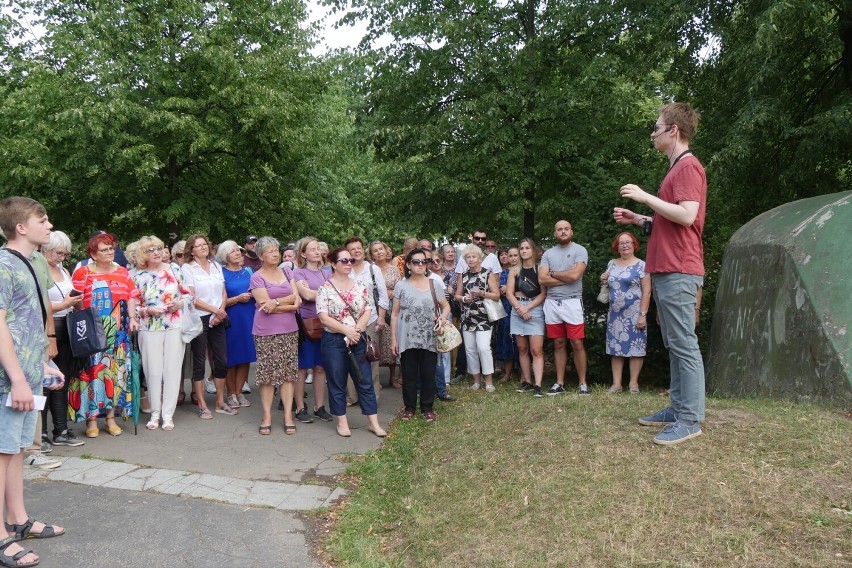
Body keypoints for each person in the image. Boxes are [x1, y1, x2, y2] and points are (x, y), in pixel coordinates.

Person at [615, 102, 707, 446]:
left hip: (680, 269)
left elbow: (686, 216)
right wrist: (638, 219)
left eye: (657, 127)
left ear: (674, 131)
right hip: (667, 267)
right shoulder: (675, 170)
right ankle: (678, 407)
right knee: (674, 343)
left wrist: (644, 197)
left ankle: (690, 419)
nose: (652, 133)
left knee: (684, 344)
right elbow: (672, 223)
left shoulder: (688, 167)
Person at [0, 196, 66, 568]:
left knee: (19, 449)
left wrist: (42, 363)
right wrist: (17, 379)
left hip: (27, 374)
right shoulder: (3, 265)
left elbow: (27, 322)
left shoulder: (29, 261)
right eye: (42, 219)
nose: (49, 224)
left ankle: (19, 520)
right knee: (3, 452)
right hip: (8, 381)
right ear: (21, 227)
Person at [70, 233, 140, 437]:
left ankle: (111, 417)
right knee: (92, 373)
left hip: (117, 332)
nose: (110, 252)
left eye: (111, 249)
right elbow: (76, 301)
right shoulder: (83, 273)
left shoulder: (122, 272)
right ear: (93, 253)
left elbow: (131, 296)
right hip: (91, 332)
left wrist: (133, 318)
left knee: (114, 374)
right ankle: (91, 419)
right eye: (104, 249)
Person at [316, 247, 386, 438]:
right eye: (344, 261)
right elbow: (323, 316)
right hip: (333, 340)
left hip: (358, 339)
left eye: (351, 261)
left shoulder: (360, 286)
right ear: (333, 264)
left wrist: (356, 330)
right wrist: (345, 330)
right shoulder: (325, 288)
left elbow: (368, 309)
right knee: (337, 382)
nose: (348, 264)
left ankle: (373, 423)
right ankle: (342, 422)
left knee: (365, 381)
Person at [133, 235, 190, 431]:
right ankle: (155, 413)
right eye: (151, 250)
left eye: (158, 248)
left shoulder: (175, 269)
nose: (156, 252)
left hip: (174, 324)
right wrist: (147, 310)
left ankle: (168, 414)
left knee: (172, 370)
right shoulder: (137, 276)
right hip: (149, 327)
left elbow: (188, 295)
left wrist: (179, 303)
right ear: (143, 254)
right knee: (153, 371)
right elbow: (133, 306)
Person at [391, 249, 451, 422]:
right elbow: (394, 314)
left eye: (423, 262)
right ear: (408, 264)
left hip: (429, 337)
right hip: (407, 337)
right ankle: (409, 408)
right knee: (409, 375)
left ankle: (427, 407)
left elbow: (445, 305)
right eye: (416, 262)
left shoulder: (434, 284)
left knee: (428, 374)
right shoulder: (401, 286)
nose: (420, 265)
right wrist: (394, 339)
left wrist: (442, 317)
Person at [249, 237, 301, 435]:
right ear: (261, 255)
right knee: (267, 375)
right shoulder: (256, 277)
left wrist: (276, 301)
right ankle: (267, 416)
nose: (275, 253)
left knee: (288, 374)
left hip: (289, 329)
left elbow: (296, 300)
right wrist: (282, 305)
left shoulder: (287, 271)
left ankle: (288, 415)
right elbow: (264, 306)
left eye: (276, 250)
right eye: (270, 251)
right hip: (265, 331)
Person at [181, 234, 233, 419]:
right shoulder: (188, 269)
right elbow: (192, 298)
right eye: (198, 245)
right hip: (200, 318)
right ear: (191, 250)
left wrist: (221, 310)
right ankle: (202, 404)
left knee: (221, 360)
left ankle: (220, 401)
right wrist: (214, 310)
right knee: (199, 361)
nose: (203, 247)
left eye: (205, 244)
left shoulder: (216, 265)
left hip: (218, 317)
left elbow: (223, 291)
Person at [538, 220, 590, 396]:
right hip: (552, 303)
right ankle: (559, 382)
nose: (563, 232)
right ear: (555, 233)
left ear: (571, 232)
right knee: (558, 343)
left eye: (566, 229)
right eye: (559, 229)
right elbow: (542, 280)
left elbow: (576, 275)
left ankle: (583, 383)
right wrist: (565, 276)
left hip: (572, 302)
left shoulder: (580, 250)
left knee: (577, 343)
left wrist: (552, 274)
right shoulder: (548, 254)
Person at [43, 230, 85, 445]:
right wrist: (64, 304)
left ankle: (60, 429)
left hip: (67, 326)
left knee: (62, 379)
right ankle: (40, 433)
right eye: (59, 253)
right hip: (48, 328)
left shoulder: (64, 271)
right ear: (46, 249)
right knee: (44, 382)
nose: (62, 257)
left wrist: (76, 301)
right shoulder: (39, 269)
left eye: (66, 254)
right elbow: (40, 304)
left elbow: (68, 299)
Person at [600, 232, 651, 395]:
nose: (625, 245)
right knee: (616, 349)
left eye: (628, 242)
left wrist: (643, 314)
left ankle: (633, 384)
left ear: (634, 244)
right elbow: (608, 285)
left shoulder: (642, 265)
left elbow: (647, 291)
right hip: (615, 314)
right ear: (617, 246)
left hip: (635, 313)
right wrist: (603, 279)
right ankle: (616, 384)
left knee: (636, 349)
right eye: (621, 243)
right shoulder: (611, 264)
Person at [344, 236, 389, 405]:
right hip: (348, 322)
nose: (356, 251)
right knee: (350, 358)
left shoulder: (373, 269)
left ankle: (372, 396)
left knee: (371, 358)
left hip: (370, 320)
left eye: (358, 248)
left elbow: (383, 296)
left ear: (363, 250)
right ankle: (353, 396)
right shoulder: (344, 269)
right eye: (352, 249)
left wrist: (382, 318)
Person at [293, 237, 333, 422]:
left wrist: (321, 294)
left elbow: (317, 295)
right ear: (303, 253)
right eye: (312, 249)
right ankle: (300, 407)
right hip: (306, 324)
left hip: (324, 324)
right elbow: (306, 294)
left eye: (318, 249)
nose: (317, 252)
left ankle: (320, 406)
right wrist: (327, 293)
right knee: (302, 367)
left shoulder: (327, 273)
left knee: (320, 368)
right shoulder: (299, 273)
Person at [454, 244, 500, 392]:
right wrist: (463, 298)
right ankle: (476, 380)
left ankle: (489, 381)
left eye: (473, 256)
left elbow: (497, 295)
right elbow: (457, 295)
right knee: (470, 349)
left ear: (480, 258)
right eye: (468, 257)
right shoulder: (463, 274)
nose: (471, 259)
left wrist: (481, 293)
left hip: (483, 316)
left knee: (483, 348)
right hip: (467, 316)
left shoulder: (488, 273)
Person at [217, 241, 256, 409]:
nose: (238, 253)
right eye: (233, 251)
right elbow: (218, 301)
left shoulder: (249, 271)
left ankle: (239, 392)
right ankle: (231, 393)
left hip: (249, 317)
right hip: (231, 319)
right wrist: (237, 299)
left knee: (245, 356)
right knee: (231, 358)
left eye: (238, 250)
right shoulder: (221, 274)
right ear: (225, 256)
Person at [507, 238, 547, 397]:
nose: (523, 251)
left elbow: (543, 293)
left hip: (535, 309)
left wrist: (528, 308)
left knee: (536, 350)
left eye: (527, 248)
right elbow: (509, 293)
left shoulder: (540, 269)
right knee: (522, 349)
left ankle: (538, 385)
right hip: (517, 309)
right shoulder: (514, 270)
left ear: (533, 250)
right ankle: (527, 382)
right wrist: (519, 309)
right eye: (521, 248)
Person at [369, 240, 402, 389]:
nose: (379, 252)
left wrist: (390, 293)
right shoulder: (369, 270)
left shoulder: (394, 269)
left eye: (381, 249)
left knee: (391, 341)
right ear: (371, 255)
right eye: (375, 250)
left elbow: (400, 288)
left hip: (391, 310)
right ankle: (376, 380)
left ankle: (393, 377)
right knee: (375, 342)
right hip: (374, 309)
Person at [440, 244, 466, 382]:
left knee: (455, 338)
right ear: (442, 254)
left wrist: (454, 293)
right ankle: (444, 371)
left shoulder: (460, 268)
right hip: (442, 307)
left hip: (456, 306)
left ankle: (455, 369)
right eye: (447, 252)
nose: (450, 254)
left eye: (452, 252)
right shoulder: (439, 268)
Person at [495, 247, 519, 383]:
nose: (512, 258)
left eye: (515, 255)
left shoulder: (523, 272)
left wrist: (510, 289)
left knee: (521, 341)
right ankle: (507, 372)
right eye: (510, 256)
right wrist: (501, 290)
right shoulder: (504, 273)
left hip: (520, 307)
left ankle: (521, 372)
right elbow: (498, 291)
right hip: (506, 309)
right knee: (506, 340)